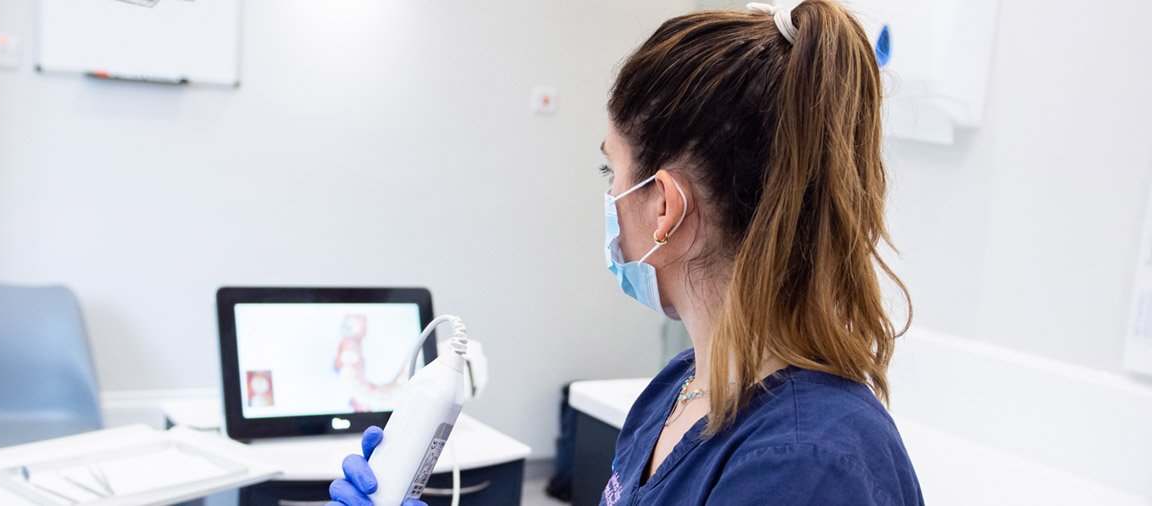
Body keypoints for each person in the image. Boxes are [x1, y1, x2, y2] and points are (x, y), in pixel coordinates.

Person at [329, 0, 922, 504]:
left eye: (610, 169)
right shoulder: (680, 389)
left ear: (664, 206)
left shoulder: (804, 468)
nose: (609, 195)